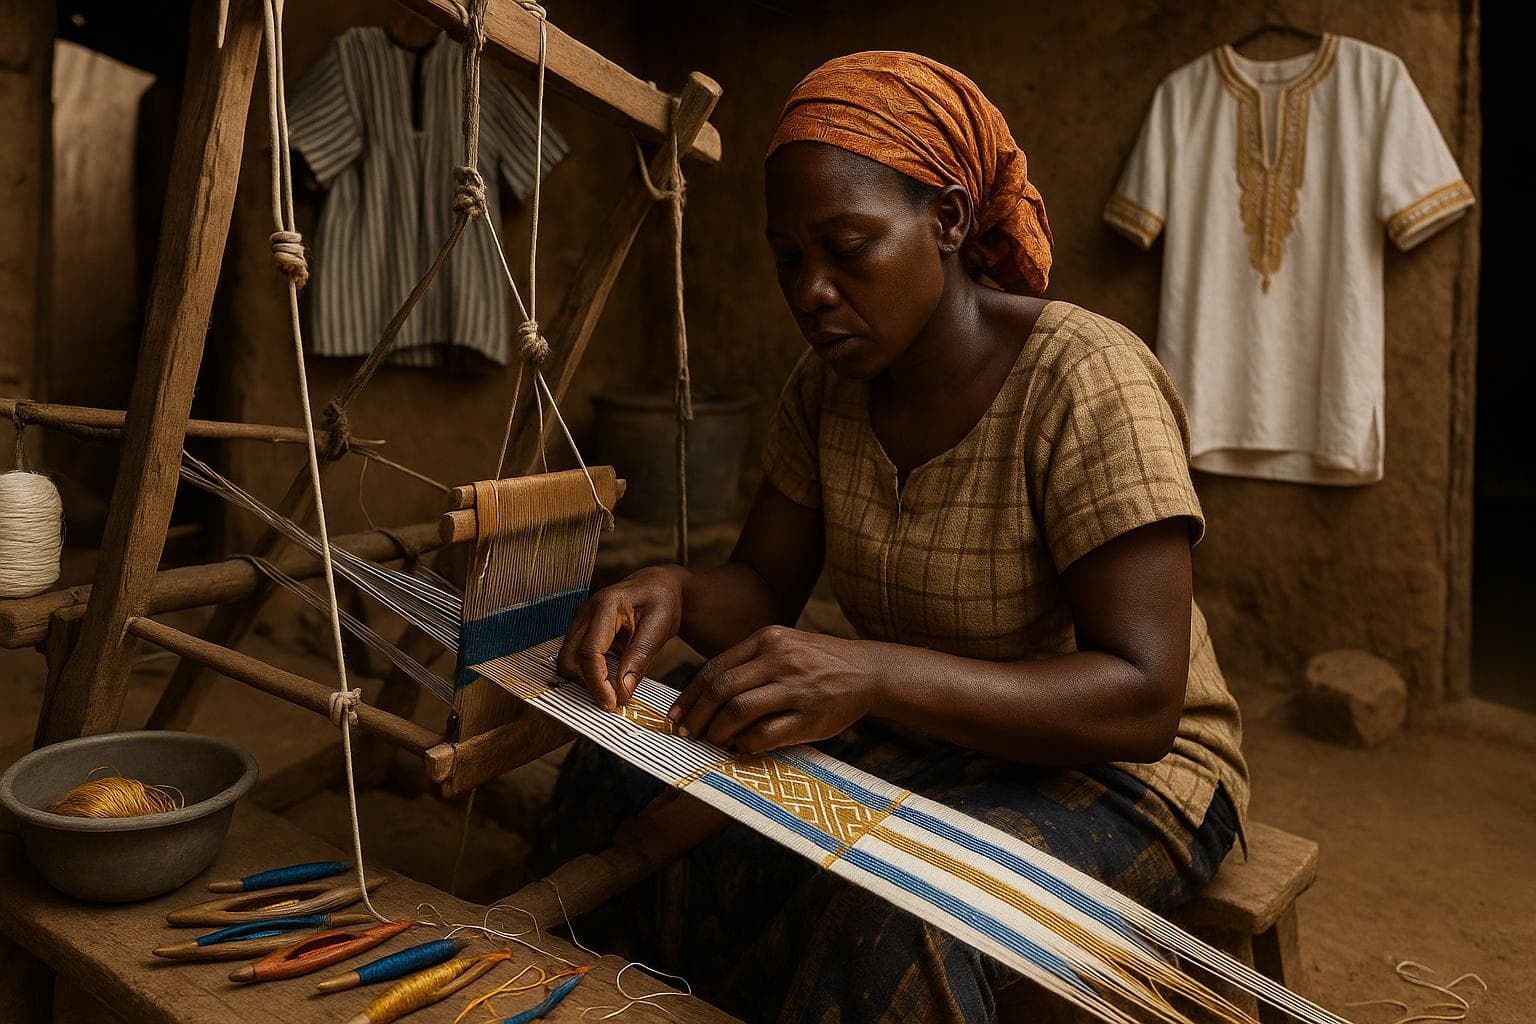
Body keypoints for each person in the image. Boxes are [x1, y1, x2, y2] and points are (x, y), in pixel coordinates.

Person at [536, 51, 1247, 1024]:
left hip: (1117, 776)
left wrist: (870, 675)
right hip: (924, 732)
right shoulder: (826, 389)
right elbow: (763, 587)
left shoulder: (1085, 381)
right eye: (790, 260)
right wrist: (676, 589)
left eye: (847, 248)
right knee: (613, 780)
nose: (812, 292)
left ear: (948, 220)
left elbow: (1142, 698)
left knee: (895, 912)